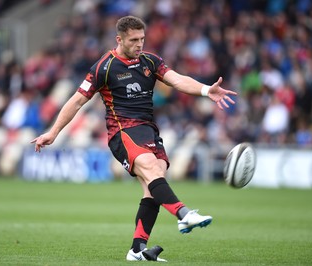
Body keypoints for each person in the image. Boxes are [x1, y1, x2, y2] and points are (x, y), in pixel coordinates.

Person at [31, 15, 237, 262]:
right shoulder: (103, 68)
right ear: (119, 39)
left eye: (142, 39)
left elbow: (178, 80)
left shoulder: (150, 60)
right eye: (134, 40)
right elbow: (76, 101)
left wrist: (205, 90)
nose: (139, 44)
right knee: (151, 169)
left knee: (154, 184)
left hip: (148, 130)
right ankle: (184, 215)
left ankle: (137, 249)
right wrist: (53, 132)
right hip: (122, 131)